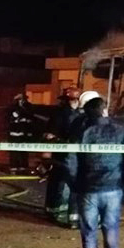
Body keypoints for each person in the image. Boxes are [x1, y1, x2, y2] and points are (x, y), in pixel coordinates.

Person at [66, 96, 124, 248]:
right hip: (113, 188)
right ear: (104, 111)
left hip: (88, 189)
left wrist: (74, 184)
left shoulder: (81, 133)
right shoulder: (121, 131)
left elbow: (70, 160)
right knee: (111, 227)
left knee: (89, 233)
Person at [43, 86, 82, 226]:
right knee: (62, 183)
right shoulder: (62, 114)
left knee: (58, 181)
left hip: (66, 154)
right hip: (65, 155)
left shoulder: (73, 114)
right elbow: (49, 135)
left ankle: (53, 210)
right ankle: (58, 212)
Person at [7, 93, 35, 174]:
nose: (20, 101)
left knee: (24, 151)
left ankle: (23, 167)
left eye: (22, 99)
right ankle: (13, 167)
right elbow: (9, 117)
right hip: (14, 132)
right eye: (18, 99)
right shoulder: (12, 107)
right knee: (13, 151)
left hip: (24, 132)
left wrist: (29, 130)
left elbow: (31, 118)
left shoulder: (29, 107)